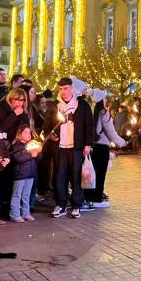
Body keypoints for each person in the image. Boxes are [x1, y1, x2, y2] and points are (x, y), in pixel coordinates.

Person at [51, 77, 93, 219]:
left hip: (77, 147)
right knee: (60, 177)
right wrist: (52, 135)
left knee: (76, 176)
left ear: (72, 88)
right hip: (61, 147)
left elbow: (89, 125)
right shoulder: (55, 106)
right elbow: (49, 124)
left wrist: (88, 144)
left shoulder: (82, 105)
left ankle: (76, 205)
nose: (63, 91)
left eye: (66, 88)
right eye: (61, 89)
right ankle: (61, 204)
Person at [86, 92, 127, 204]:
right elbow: (111, 133)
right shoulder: (103, 113)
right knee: (100, 174)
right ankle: (96, 198)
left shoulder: (90, 111)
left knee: (91, 173)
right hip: (102, 146)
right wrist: (123, 143)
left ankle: (88, 196)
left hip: (91, 146)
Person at [9, 125, 40, 222]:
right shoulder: (16, 146)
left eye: (29, 132)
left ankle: (26, 213)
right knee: (17, 194)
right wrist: (31, 155)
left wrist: (38, 152)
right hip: (20, 175)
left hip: (30, 174)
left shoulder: (31, 145)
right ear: (19, 134)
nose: (28, 134)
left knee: (26, 195)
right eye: (25, 132)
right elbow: (18, 159)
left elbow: (38, 159)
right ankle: (14, 214)